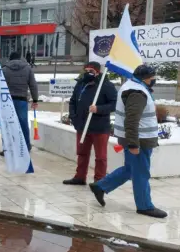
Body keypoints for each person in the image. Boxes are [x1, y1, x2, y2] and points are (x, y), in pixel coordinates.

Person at [89, 65, 167, 218]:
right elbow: (131, 120)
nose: (154, 80)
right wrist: (133, 143)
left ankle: (100, 186)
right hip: (139, 140)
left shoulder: (133, 86)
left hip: (135, 138)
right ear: (145, 78)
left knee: (131, 169)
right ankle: (144, 206)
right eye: (153, 77)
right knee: (141, 173)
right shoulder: (137, 93)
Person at [64, 61, 117, 185]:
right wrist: (74, 117)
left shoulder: (106, 85)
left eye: (91, 71)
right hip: (82, 126)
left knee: (100, 157)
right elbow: (72, 102)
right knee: (82, 153)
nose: (88, 73)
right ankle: (80, 177)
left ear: (98, 72)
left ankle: (100, 181)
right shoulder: (80, 84)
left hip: (99, 127)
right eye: (86, 70)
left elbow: (114, 104)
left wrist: (98, 109)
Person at [2, 51, 39, 155]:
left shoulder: (4, 69)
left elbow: (0, 86)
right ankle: (26, 146)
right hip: (22, 100)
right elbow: (33, 85)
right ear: (20, 58)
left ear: (10, 58)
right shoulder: (27, 68)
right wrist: (35, 100)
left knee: (8, 124)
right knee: (23, 124)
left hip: (8, 101)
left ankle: (8, 148)